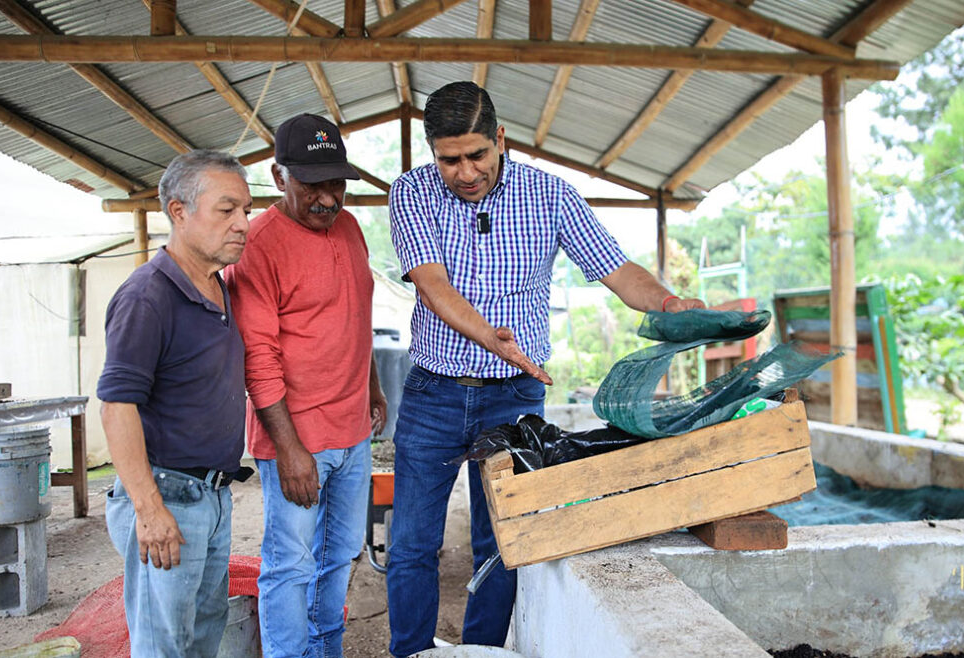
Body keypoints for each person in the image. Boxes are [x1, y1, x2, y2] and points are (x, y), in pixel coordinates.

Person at [386, 80, 707, 656]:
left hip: (513, 400)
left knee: (503, 541)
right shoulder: (411, 192)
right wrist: (492, 338)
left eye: (477, 155)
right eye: (449, 160)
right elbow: (432, 285)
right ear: (433, 153)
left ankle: (483, 651)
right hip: (434, 393)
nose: (465, 172)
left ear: (500, 138)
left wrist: (667, 302)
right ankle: (409, 652)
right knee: (411, 544)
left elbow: (616, 269)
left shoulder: (550, 194)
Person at [225, 113, 387, 658]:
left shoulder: (350, 228)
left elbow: (355, 315)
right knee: (290, 565)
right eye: (312, 184)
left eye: (336, 183)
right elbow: (257, 358)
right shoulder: (258, 244)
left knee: (339, 557)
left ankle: (325, 651)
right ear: (279, 177)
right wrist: (290, 450)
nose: (327, 198)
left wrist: (372, 386)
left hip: (352, 432)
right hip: (296, 439)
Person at [98, 149, 253, 657]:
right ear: (178, 211)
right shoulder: (148, 296)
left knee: (203, 638)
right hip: (167, 496)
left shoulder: (216, 286)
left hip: (211, 495)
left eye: (245, 210)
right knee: (163, 646)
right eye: (226, 210)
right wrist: (148, 509)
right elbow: (117, 407)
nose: (242, 223)